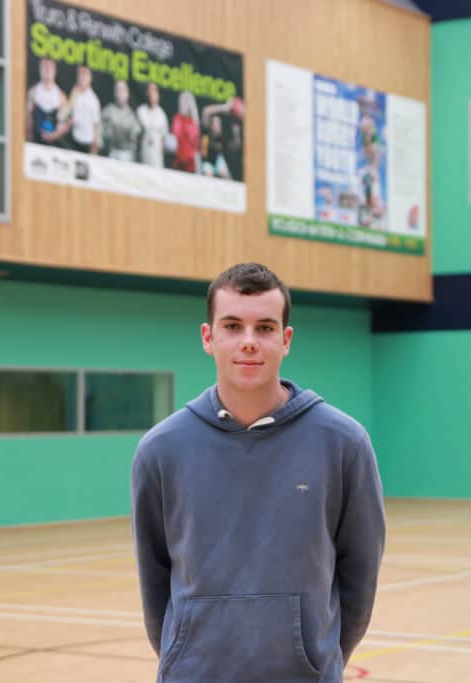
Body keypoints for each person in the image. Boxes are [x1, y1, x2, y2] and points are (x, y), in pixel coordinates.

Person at [131, 262, 386, 683]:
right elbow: (154, 579)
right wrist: (186, 654)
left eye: (264, 328)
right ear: (208, 337)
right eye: (232, 326)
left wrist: (315, 659)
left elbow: (360, 574)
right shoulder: (161, 449)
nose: (248, 342)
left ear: (285, 340)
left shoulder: (343, 443)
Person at [45, 65, 101, 154]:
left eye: (85, 74)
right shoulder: (74, 93)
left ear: (90, 77)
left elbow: (96, 126)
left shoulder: (93, 100)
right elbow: (61, 116)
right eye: (80, 74)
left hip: (87, 144)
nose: (82, 77)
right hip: (73, 141)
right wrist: (72, 100)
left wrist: (94, 148)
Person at [25, 57, 67, 145]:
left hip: (54, 143)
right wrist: (29, 140)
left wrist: (53, 136)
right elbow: (28, 119)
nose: (47, 70)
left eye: (50, 67)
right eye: (44, 67)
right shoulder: (33, 92)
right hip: (35, 141)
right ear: (40, 69)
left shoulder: (61, 96)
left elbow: (63, 125)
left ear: (54, 70)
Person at [102, 79, 142, 162]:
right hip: (111, 153)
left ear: (127, 93)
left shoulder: (132, 115)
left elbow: (135, 137)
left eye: (122, 90)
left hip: (126, 155)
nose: (120, 93)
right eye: (118, 90)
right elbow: (102, 134)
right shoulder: (108, 110)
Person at [137, 82, 170, 167]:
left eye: (154, 90)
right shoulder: (141, 111)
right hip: (143, 152)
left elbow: (164, 138)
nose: (151, 93)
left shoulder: (162, 114)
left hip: (157, 156)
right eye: (149, 90)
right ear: (146, 93)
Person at [170, 90, 200, 173]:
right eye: (184, 100)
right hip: (179, 159)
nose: (186, 103)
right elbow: (176, 134)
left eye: (188, 101)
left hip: (191, 162)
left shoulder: (194, 122)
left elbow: (196, 143)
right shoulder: (178, 118)